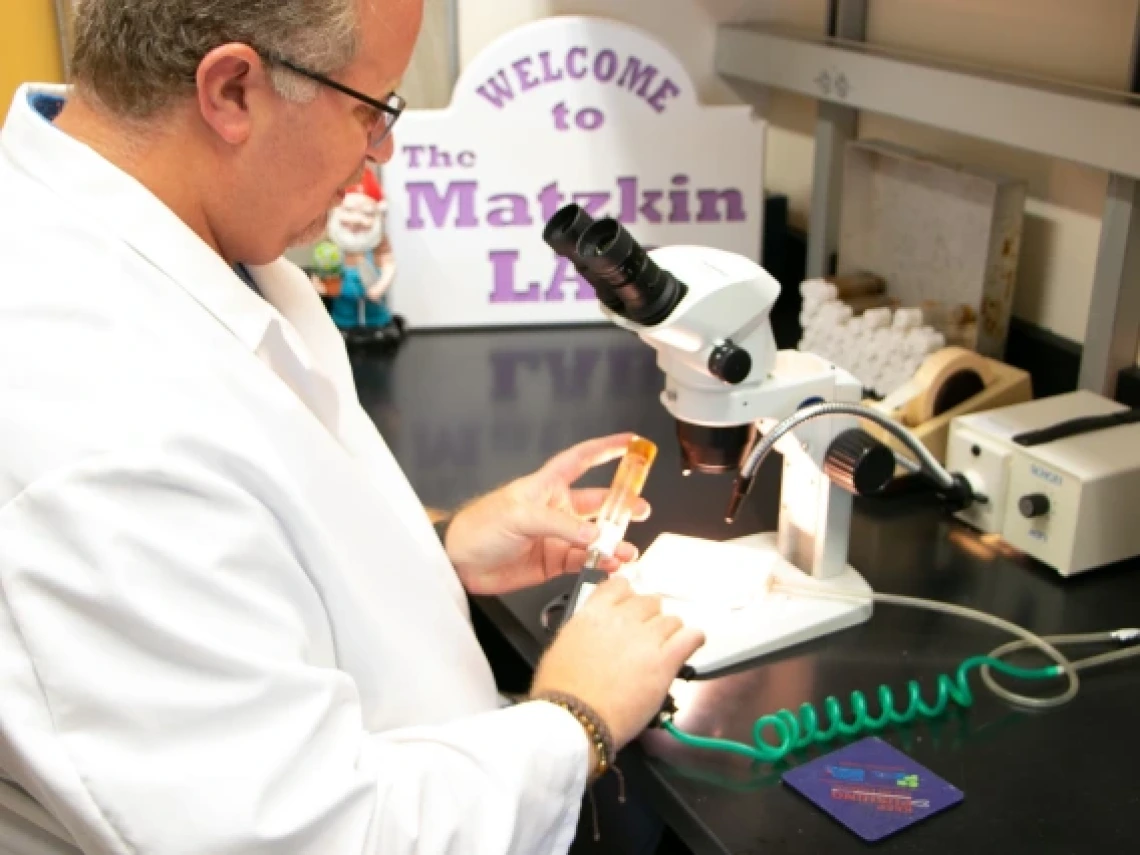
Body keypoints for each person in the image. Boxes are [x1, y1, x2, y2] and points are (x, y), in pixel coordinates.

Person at [0, 2, 705, 855]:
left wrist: (432, 546)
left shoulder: (183, 230)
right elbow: (307, 835)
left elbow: (243, 536)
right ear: (231, 90)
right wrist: (575, 718)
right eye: (372, 108)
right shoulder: (95, 416)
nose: (385, 151)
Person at [310, 168, 407, 351]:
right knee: (343, 324)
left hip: (373, 305)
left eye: (367, 214)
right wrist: (318, 284)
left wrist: (381, 286)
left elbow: (389, 265)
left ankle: (376, 327)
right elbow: (321, 270)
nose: (356, 220)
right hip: (342, 304)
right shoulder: (332, 245)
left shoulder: (378, 245)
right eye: (349, 211)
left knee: (377, 323)